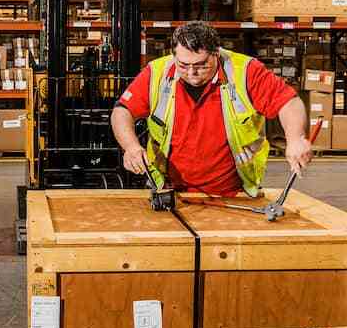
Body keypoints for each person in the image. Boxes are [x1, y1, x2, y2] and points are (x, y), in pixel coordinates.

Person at [110, 21, 313, 198]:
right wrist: (131, 146)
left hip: (233, 192)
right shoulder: (157, 73)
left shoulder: (246, 72)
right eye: (183, 65)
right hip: (169, 190)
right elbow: (122, 111)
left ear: (216, 53)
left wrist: (295, 138)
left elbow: (288, 102)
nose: (192, 73)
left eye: (200, 65)